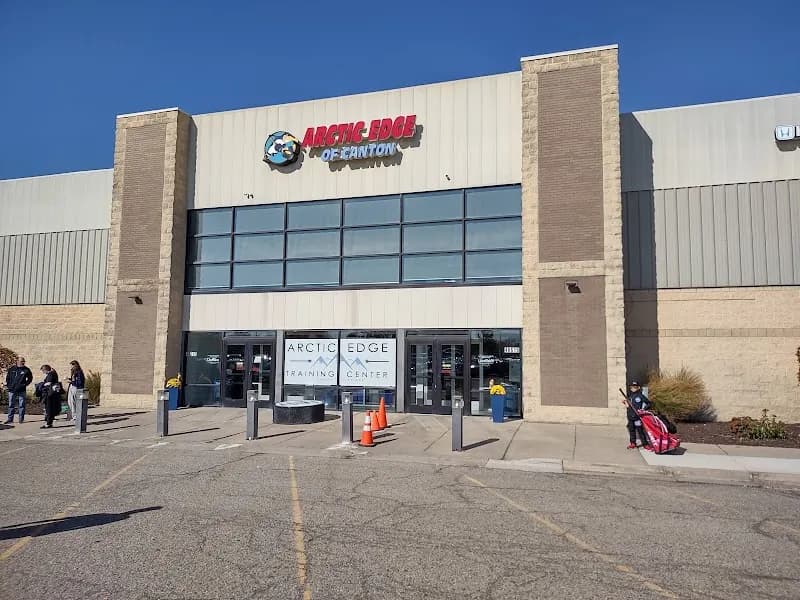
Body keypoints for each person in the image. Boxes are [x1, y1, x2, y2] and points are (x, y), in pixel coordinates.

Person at [622, 381, 652, 450]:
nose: (633, 388)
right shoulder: (629, 396)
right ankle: (633, 443)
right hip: (630, 417)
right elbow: (628, 406)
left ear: (638, 388)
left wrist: (643, 409)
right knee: (631, 430)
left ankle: (645, 444)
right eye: (632, 387)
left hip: (637, 418)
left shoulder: (641, 396)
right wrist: (625, 403)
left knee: (640, 430)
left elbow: (649, 403)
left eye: (635, 387)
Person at [5, 356, 33, 424]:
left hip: (21, 390)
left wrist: (25, 384)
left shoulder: (26, 370)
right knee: (11, 405)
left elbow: (30, 378)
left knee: (22, 405)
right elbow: (8, 378)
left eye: (24, 361)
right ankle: (10, 419)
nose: (23, 363)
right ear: (17, 361)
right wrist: (9, 385)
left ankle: (21, 419)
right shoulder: (12, 369)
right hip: (12, 390)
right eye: (21, 361)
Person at [38, 365, 62, 429]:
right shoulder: (53, 373)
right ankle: (49, 422)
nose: (43, 372)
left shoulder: (50, 374)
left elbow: (48, 383)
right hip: (52, 394)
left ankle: (48, 423)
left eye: (43, 371)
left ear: (45, 370)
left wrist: (42, 384)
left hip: (49, 394)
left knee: (48, 409)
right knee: (50, 409)